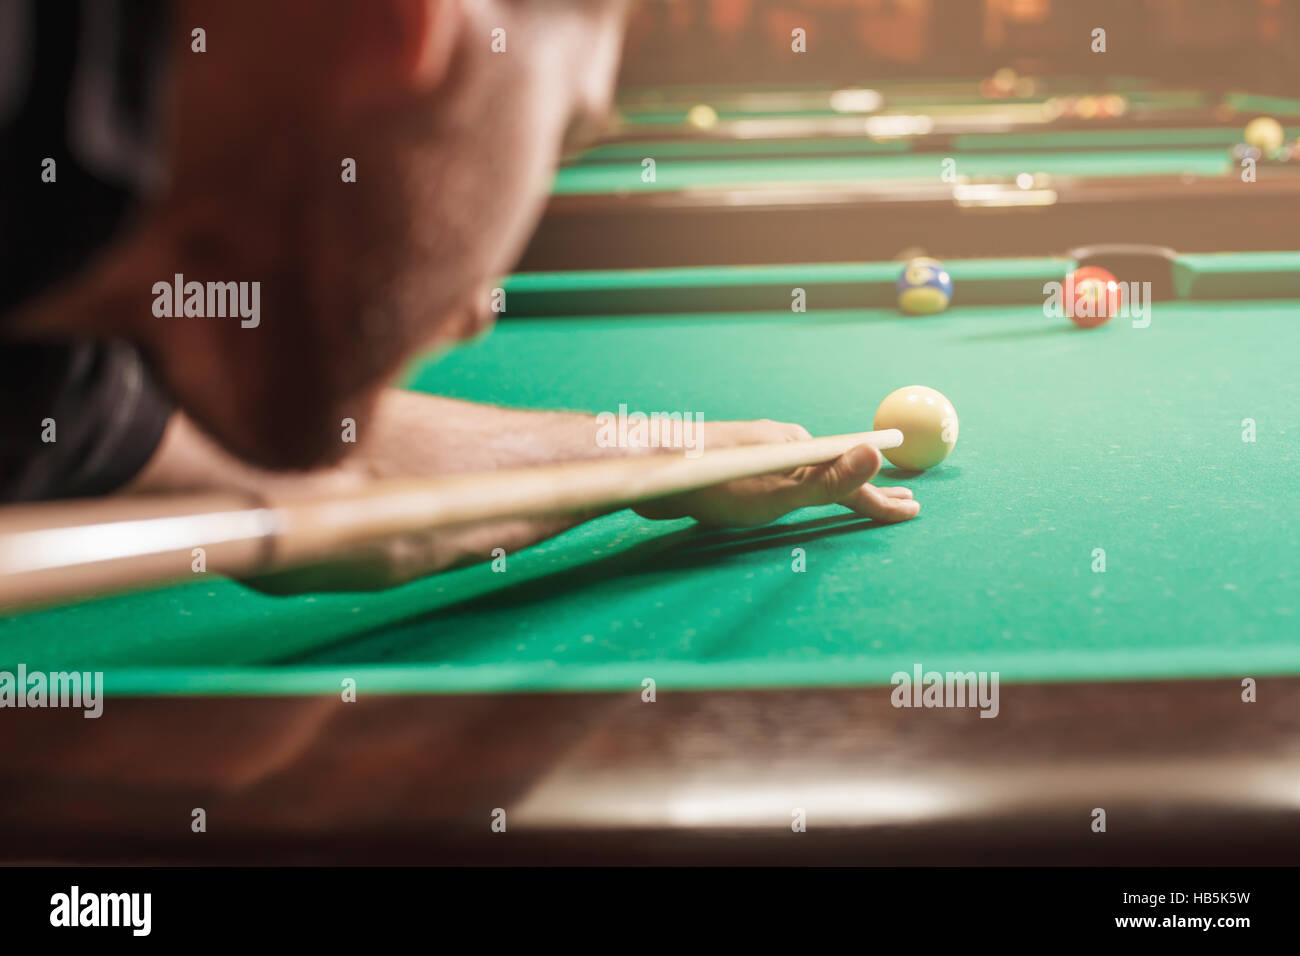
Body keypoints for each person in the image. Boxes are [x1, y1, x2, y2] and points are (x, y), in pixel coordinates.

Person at [0, 0, 918, 588]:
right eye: (562, 133)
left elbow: (330, 485)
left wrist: (669, 454)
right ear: (406, 23)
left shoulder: (61, 343)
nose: (478, 306)